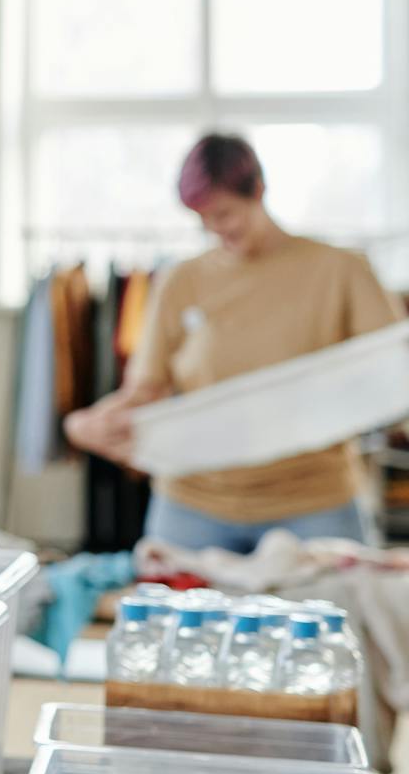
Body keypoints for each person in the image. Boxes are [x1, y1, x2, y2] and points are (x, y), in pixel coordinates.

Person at [65, 133, 403, 553]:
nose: (215, 229)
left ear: (258, 190)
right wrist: (85, 424)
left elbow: (393, 375)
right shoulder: (180, 280)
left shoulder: (342, 270)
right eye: (202, 218)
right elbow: (146, 390)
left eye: (224, 213)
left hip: (315, 502)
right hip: (193, 504)